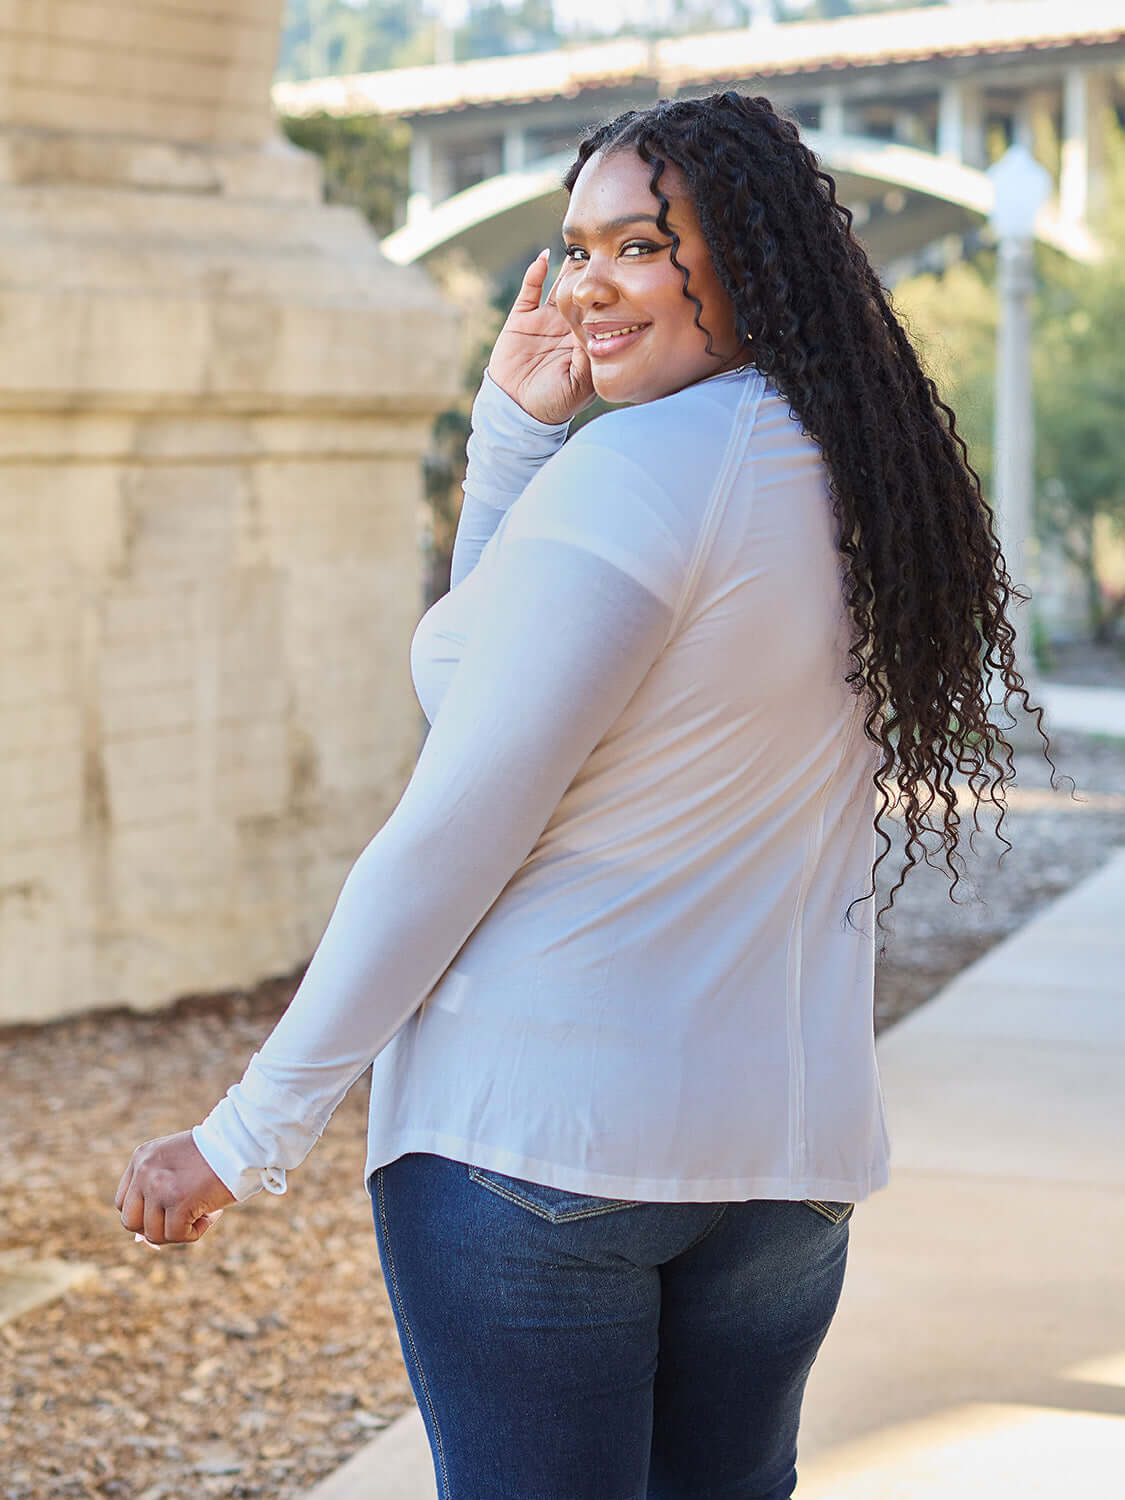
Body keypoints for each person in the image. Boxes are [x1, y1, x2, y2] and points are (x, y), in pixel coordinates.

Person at [115, 92, 1049, 1499]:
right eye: (576, 248)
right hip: (776, 1168)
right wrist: (515, 435)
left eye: (640, 245)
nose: (589, 284)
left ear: (745, 255)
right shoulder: (856, 474)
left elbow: (453, 825)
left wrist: (248, 1131)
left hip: (540, 1153)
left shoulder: (646, 477)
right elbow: (487, 670)